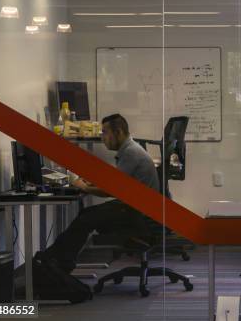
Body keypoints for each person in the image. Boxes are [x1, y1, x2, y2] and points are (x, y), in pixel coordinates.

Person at [39, 113, 160, 273]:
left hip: (138, 213)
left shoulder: (131, 153)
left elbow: (112, 190)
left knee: (85, 219)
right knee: (86, 215)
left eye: (105, 132)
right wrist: (91, 183)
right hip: (138, 207)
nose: (102, 137)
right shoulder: (129, 150)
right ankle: (58, 259)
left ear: (118, 133)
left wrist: (84, 186)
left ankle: (58, 262)